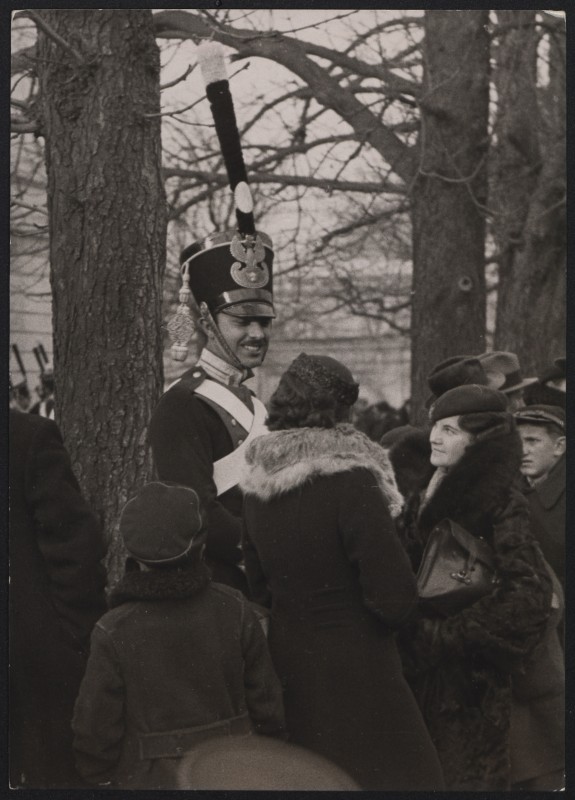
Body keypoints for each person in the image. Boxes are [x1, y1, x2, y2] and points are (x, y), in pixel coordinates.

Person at [240, 353, 445, 790]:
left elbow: (259, 586)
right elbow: (394, 599)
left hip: (291, 664)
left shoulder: (256, 487)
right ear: (339, 412)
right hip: (359, 667)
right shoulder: (352, 479)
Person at [148, 40, 275, 595]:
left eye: (263, 321)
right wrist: (268, 557)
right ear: (204, 316)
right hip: (220, 589)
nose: (255, 333)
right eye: (241, 321)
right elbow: (197, 508)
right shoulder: (182, 406)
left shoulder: (252, 401)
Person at [72, 482, 286, 789]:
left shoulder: (113, 629)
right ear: (200, 546)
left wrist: (99, 778)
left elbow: (95, 730)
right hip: (236, 771)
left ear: (134, 555)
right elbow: (268, 705)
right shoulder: (235, 608)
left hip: (150, 780)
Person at [395, 384, 557, 790]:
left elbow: (529, 596)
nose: (434, 436)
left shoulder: (502, 499)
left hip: (471, 690)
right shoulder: (428, 488)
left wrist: (444, 636)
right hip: (425, 681)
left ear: (480, 440)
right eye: (436, 426)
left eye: (450, 430)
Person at [9, 410, 108, 788]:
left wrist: (71, 635)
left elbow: (74, 546)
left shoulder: (25, 436)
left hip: (32, 658)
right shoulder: (26, 434)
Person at [514, 405, 565, 591]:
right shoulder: (509, 489)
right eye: (518, 442)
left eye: (532, 441)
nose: (523, 451)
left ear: (559, 446)